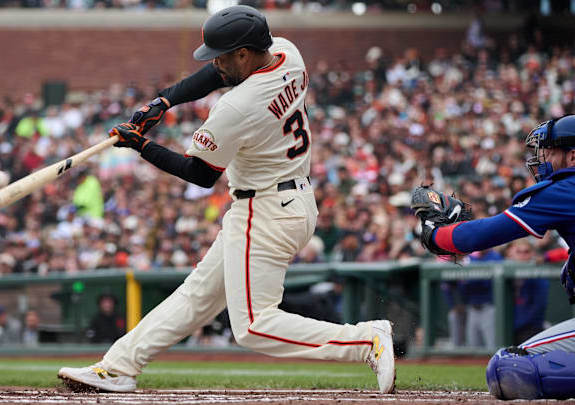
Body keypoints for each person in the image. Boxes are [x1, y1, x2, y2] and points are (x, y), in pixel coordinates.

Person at [58, 5, 395, 394]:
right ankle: (119, 366)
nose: (216, 62)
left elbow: (200, 174)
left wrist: (142, 146)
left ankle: (364, 340)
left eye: (223, 54)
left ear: (244, 54)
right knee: (197, 296)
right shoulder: (288, 52)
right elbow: (217, 74)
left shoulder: (237, 107)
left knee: (254, 326)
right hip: (288, 198)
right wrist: (165, 101)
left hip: (267, 210)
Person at [412, 114, 575, 400]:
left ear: (572, 156)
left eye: (550, 151)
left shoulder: (564, 189)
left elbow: (483, 235)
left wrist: (435, 235)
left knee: (508, 369)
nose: (544, 159)